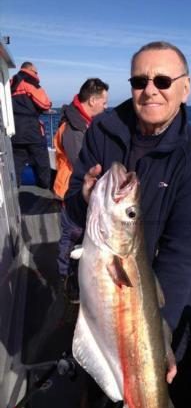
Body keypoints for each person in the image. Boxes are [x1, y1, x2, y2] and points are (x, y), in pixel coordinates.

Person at [65, 41, 191, 408]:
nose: (150, 89)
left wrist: (159, 336)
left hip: (162, 311)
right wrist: (83, 198)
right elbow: (70, 204)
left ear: (185, 88)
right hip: (104, 303)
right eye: (139, 80)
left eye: (163, 80)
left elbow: (184, 252)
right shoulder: (104, 129)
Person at [54, 78, 109, 302]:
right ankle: (66, 285)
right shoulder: (74, 130)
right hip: (70, 194)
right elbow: (82, 164)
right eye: (104, 102)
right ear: (93, 101)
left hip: (78, 193)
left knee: (79, 239)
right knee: (71, 239)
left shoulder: (82, 123)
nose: (107, 107)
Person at [11, 61, 52, 188]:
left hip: (14, 130)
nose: (37, 74)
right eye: (36, 72)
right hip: (31, 130)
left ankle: (14, 190)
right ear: (31, 70)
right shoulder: (29, 81)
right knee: (42, 162)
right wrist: (48, 106)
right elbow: (44, 103)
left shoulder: (10, 82)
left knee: (17, 162)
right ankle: (45, 190)